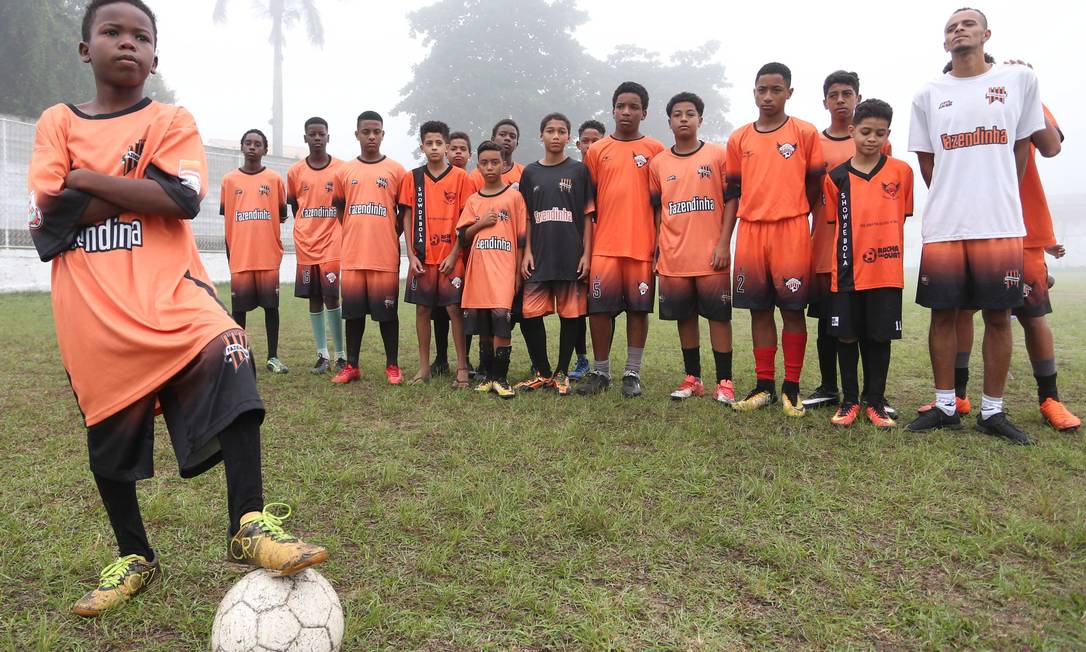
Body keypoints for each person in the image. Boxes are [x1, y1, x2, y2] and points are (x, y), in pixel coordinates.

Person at [27, 0, 325, 617]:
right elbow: (45, 225)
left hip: (173, 296)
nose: (126, 43)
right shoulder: (57, 121)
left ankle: (247, 523)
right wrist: (140, 192)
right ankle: (135, 556)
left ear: (155, 56)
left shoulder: (170, 118)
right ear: (86, 49)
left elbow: (182, 198)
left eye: (141, 35)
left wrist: (83, 180)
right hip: (95, 314)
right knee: (108, 445)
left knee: (230, 347)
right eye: (111, 32)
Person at [906, 7, 1046, 445]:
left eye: (967, 24)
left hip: (1000, 222)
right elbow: (928, 161)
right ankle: (946, 405)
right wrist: (955, 193)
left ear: (987, 33)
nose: (958, 30)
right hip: (946, 225)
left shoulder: (1018, 81)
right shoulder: (928, 94)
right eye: (950, 27)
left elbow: (1022, 148)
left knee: (999, 316)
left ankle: (992, 411)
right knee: (943, 315)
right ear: (943, 43)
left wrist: (995, 190)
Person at [931, 61, 1078, 433]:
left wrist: (1029, 90)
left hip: (1020, 225)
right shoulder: (946, 107)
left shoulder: (1015, 95)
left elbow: (1051, 147)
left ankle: (1050, 398)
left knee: (1031, 311)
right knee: (961, 310)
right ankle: (959, 396)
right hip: (966, 225)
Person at [724, 62, 826, 416]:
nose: (768, 96)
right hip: (751, 229)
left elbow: (814, 183)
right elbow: (734, 189)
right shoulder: (739, 138)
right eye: (762, 90)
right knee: (759, 309)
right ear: (754, 92)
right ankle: (763, 384)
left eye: (776, 89)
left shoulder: (805, 133)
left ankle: (791, 387)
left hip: (791, 228)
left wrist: (795, 211)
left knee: (793, 310)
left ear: (789, 93)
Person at [804, 71, 895, 417]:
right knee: (830, 321)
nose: (840, 100)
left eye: (847, 93)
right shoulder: (815, 141)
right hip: (827, 246)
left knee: (871, 326)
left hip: (869, 254)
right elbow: (810, 191)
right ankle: (830, 386)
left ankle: (874, 396)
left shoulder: (876, 141)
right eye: (833, 94)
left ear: (858, 98)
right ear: (825, 101)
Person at [822, 99, 913, 428]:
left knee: (879, 337)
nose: (872, 138)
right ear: (851, 132)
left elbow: (902, 215)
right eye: (865, 132)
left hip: (886, 272)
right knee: (846, 336)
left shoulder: (901, 172)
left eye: (879, 132)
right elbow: (836, 224)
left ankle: (875, 401)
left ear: (888, 133)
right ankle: (849, 402)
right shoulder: (836, 178)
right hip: (847, 273)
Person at [576, 82, 666, 397]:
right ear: (613, 109)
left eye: (633, 107)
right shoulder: (598, 151)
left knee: (638, 310)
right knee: (599, 310)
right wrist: (587, 250)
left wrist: (659, 244)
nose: (626, 112)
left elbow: (660, 203)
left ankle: (632, 373)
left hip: (641, 246)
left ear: (644, 112)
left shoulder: (656, 150)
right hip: (604, 247)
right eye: (621, 106)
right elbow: (589, 206)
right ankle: (601, 372)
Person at [649, 92, 735, 403]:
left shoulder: (717, 155)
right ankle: (693, 378)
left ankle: (725, 381)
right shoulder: (658, 163)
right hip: (674, 256)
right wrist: (658, 249)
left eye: (690, 113)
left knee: (718, 317)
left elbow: (731, 201)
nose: (684, 118)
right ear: (669, 120)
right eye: (677, 114)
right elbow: (658, 209)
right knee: (684, 317)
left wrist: (724, 243)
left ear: (700, 118)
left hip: (712, 255)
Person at [514, 113, 595, 396]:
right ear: (541, 136)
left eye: (562, 131)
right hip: (538, 256)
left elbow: (587, 216)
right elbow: (525, 217)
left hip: (571, 255)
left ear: (568, 137)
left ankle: (562, 372)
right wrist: (525, 253)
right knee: (530, 315)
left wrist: (587, 253)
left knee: (570, 315)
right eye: (550, 131)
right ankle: (543, 372)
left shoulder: (578, 171)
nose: (556, 136)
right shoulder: (530, 173)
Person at [330, 111, 406, 385]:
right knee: (353, 315)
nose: (371, 136)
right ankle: (352, 366)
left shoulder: (396, 171)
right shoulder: (344, 171)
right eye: (366, 131)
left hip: (384, 257)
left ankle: (393, 366)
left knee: (388, 316)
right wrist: (353, 230)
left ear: (383, 134)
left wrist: (387, 232)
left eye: (376, 131)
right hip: (352, 256)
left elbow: (403, 214)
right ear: (357, 134)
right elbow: (340, 208)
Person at [400, 120, 474, 386]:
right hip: (423, 257)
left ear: (446, 146)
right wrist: (410, 253)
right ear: (422, 146)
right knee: (422, 310)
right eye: (429, 143)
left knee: (455, 310)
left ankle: (462, 369)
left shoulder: (461, 178)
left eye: (438, 143)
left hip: (450, 258)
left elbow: (467, 220)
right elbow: (407, 216)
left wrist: (455, 254)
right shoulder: (413, 177)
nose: (434, 148)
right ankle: (423, 368)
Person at [457, 141, 528, 398]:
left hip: (504, 269)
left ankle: (501, 377)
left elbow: (521, 237)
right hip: (479, 271)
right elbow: (463, 236)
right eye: (485, 163)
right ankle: (487, 376)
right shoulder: (474, 200)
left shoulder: (514, 196)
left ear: (503, 164)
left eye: (494, 162)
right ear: (478, 166)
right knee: (484, 325)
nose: (490, 167)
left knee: (501, 320)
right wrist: (481, 224)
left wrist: (519, 269)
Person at [221, 129, 289, 373]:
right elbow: (227, 216)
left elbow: (281, 215)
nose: (252, 147)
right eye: (248, 143)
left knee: (272, 308)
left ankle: (273, 357)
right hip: (241, 256)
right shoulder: (229, 181)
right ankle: (241, 356)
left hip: (267, 256)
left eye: (257, 144)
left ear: (265, 150)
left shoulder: (274, 180)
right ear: (241, 147)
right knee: (239, 311)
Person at [287, 117, 346, 374]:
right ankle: (322, 355)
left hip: (333, 239)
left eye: (321, 134)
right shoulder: (295, 171)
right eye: (313, 134)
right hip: (306, 242)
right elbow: (294, 206)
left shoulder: (342, 169)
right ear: (305, 138)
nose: (317, 138)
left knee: (332, 294)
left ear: (328, 137)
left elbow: (344, 205)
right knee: (313, 297)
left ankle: (341, 355)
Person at [429, 130, 475, 377]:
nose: (458, 152)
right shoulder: (435, 179)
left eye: (463, 149)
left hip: (468, 257)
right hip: (442, 256)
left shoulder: (473, 180)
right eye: (454, 148)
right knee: (440, 310)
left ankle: (465, 360)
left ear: (469, 154)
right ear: (447, 150)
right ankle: (441, 357)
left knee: (462, 310)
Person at [469, 119, 525, 191]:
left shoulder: (524, 173)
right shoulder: (476, 175)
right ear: (493, 139)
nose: (507, 138)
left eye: (512, 136)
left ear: (516, 144)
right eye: (502, 134)